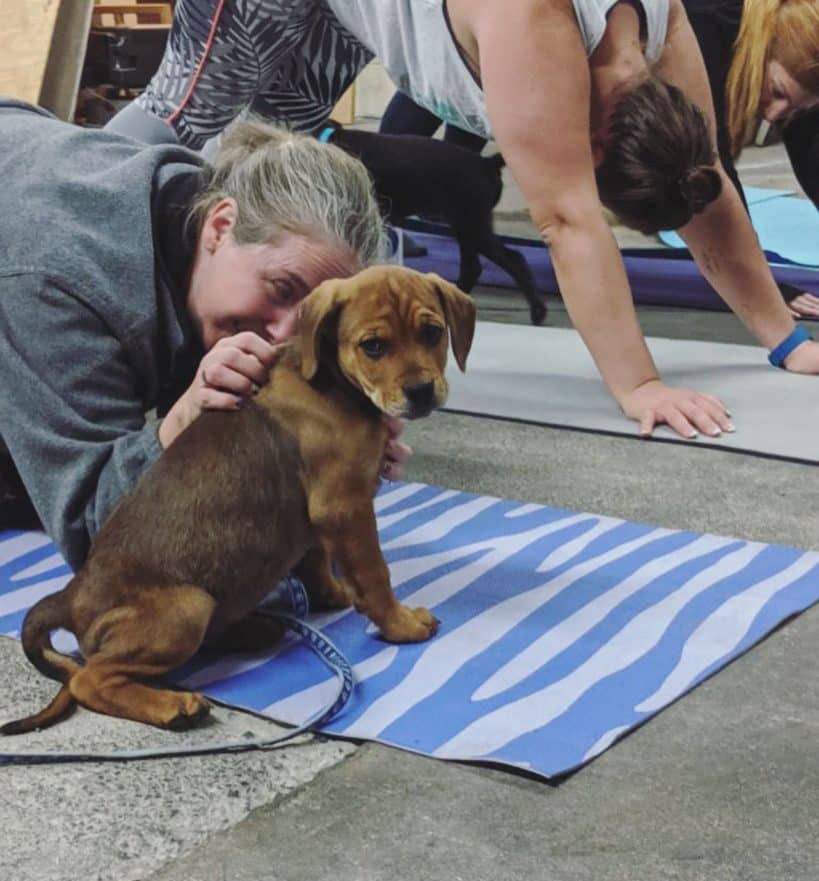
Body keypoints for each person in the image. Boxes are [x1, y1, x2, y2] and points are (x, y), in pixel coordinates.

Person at [105, 0, 819, 443]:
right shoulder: (534, 22)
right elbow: (568, 221)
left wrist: (783, 339)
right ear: (593, 143)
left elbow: (710, 184)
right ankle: (70, 216)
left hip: (342, 13)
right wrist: (640, 387)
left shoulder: (660, 23)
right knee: (183, 123)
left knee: (270, 159)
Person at [0, 100, 408, 569]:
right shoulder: (59, 277)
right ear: (220, 226)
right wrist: (180, 424)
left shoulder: (207, 205)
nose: (279, 337)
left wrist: (333, 462)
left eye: (312, 320)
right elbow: (100, 538)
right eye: (281, 288)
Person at [682, 0, 819, 317]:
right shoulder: (707, 27)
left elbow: (811, 146)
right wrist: (763, 287)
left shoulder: (788, 29)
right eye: (777, 92)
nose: (771, 116)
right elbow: (710, 167)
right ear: (763, 50)